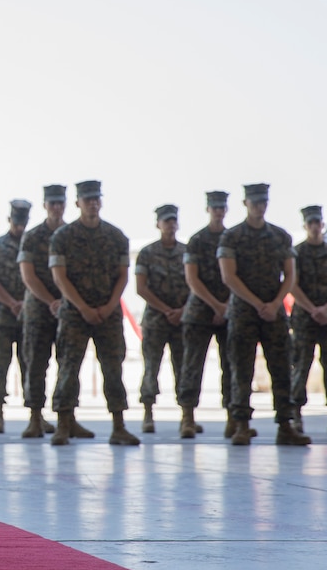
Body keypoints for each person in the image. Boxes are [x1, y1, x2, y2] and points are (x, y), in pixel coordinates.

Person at [218, 183, 310, 446]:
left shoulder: (280, 237)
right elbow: (229, 276)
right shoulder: (232, 237)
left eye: (263, 202)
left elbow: (290, 274)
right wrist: (259, 304)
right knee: (241, 370)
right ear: (245, 204)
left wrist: (275, 303)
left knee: (281, 369)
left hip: (274, 313)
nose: (260, 207)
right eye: (255, 202)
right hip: (244, 313)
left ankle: (285, 425)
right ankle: (241, 425)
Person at [48, 180, 139, 446]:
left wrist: (109, 306)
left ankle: (119, 426)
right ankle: (64, 425)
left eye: (96, 198)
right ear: (77, 203)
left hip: (108, 314)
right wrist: (83, 308)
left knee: (113, 369)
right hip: (75, 314)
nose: (92, 203)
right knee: (68, 369)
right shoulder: (62, 237)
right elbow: (60, 278)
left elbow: (123, 276)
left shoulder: (116, 236)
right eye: (87, 199)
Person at [177, 191, 242, 439]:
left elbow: (238, 274)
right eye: (214, 207)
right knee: (192, 366)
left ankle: (232, 419)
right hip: (200, 312)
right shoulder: (197, 240)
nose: (218, 211)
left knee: (232, 366)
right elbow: (192, 279)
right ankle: (188, 419)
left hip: (230, 309)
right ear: (208, 209)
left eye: (222, 207)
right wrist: (216, 305)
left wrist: (226, 305)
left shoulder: (233, 238)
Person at [289, 205, 327, 435]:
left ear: (322, 225)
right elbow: (292, 285)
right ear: (305, 226)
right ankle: (296, 414)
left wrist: (325, 309)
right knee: (301, 366)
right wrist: (312, 309)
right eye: (310, 223)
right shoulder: (296, 253)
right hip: (305, 318)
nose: (315, 227)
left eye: (318, 223)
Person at [17, 185, 66, 437]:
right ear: (45, 205)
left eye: (61, 203)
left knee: (68, 365)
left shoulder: (73, 235)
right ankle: (35, 417)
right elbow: (28, 276)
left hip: (69, 310)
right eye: (52, 203)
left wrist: (66, 301)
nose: (57, 208)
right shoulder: (33, 236)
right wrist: (51, 302)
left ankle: (67, 417)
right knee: (36, 364)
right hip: (39, 310)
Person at [135, 204, 188, 435]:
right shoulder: (147, 253)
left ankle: (187, 416)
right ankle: (148, 413)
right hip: (157, 320)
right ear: (158, 224)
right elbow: (141, 287)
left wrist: (183, 311)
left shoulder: (188, 252)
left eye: (173, 220)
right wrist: (166, 310)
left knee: (185, 369)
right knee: (151, 368)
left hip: (182, 319)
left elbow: (196, 283)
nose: (170, 224)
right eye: (166, 221)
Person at [0, 199, 31, 433]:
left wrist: (27, 303)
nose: (20, 227)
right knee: (0, 366)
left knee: (31, 366)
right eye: (16, 221)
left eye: (24, 222)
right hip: (2, 316)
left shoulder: (34, 246)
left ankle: (35, 414)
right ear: (9, 220)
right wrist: (12, 303)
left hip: (29, 316)